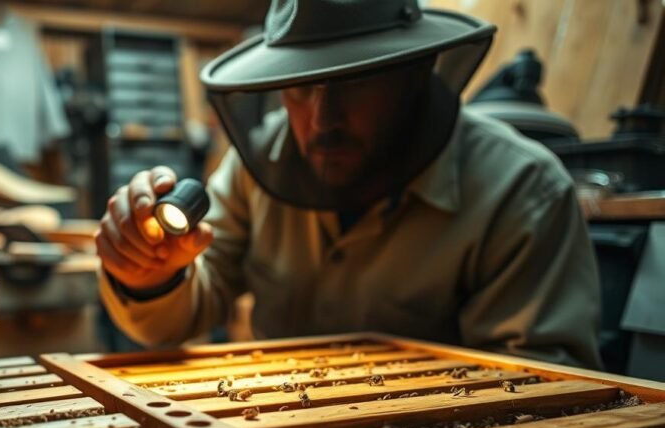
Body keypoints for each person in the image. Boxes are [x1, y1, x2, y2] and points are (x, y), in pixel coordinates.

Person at [96, 0, 602, 369]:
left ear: (416, 73)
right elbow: (182, 317)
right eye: (299, 87)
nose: (322, 121)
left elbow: (544, 391)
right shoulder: (257, 165)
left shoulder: (523, 191)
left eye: (353, 82)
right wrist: (150, 277)